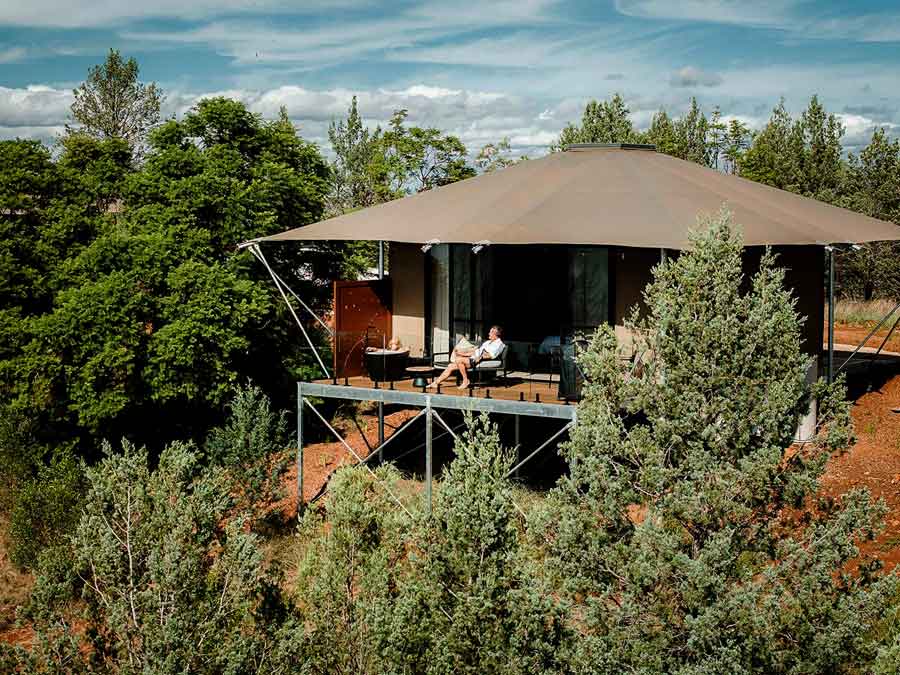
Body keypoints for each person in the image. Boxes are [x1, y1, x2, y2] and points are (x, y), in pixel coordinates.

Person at [429, 326, 504, 390]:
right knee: (450, 366)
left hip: (478, 360)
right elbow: (476, 351)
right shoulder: (487, 342)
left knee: (458, 360)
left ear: (496, 334)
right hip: (472, 358)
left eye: (491, 332)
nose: (489, 333)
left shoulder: (499, 344)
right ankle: (435, 383)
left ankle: (465, 380)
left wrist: (480, 357)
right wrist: (463, 353)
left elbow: (491, 355)